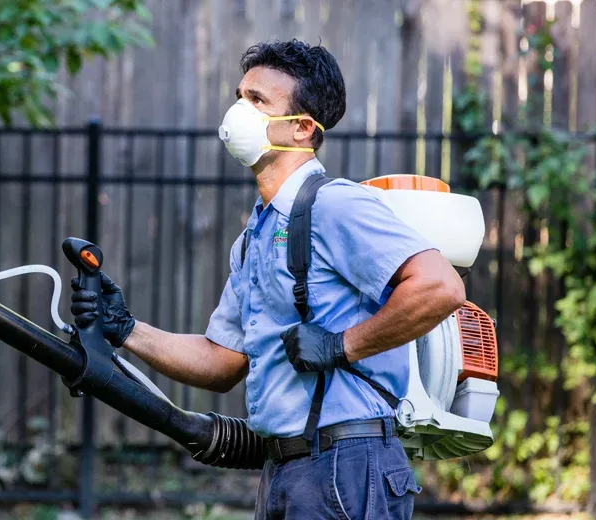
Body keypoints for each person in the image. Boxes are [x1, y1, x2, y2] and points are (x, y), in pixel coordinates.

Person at [69, 40, 466, 519]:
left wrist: (343, 345)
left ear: (301, 128)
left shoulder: (334, 205)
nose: (239, 110)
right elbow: (222, 363)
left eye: (257, 100)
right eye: (240, 95)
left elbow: (440, 287)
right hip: (285, 469)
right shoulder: (256, 234)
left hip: (348, 465)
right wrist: (127, 329)